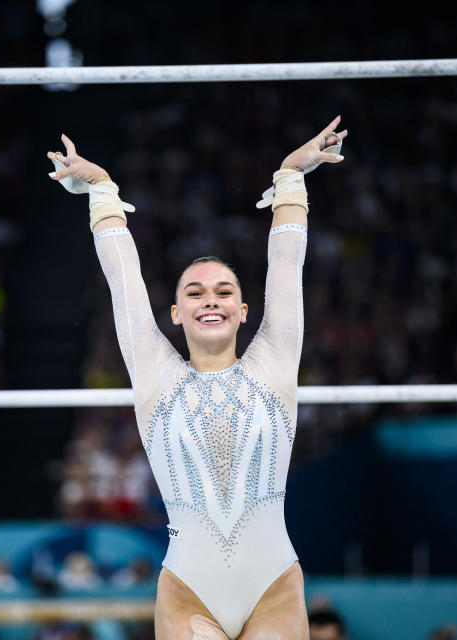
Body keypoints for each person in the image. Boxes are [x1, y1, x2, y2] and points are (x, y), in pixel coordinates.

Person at [47, 117, 347, 639]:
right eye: (195, 291)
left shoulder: (275, 360)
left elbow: (286, 266)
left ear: (244, 310)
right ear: (176, 313)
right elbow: (124, 284)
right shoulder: (156, 373)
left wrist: (291, 178)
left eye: (224, 291)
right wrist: (101, 192)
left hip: (273, 584)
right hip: (188, 588)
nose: (210, 297)